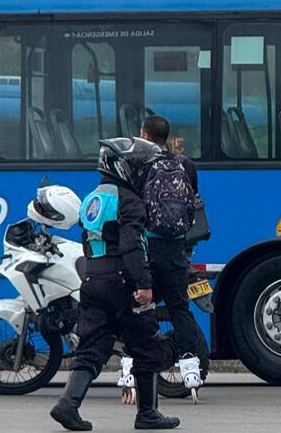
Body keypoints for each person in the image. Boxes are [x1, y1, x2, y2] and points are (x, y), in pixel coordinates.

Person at [50, 137, 180, 432]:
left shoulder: (92, 198)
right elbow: (132, 245)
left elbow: (87, 243)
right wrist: (144, 284)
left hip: (93, 280)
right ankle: (147, 413)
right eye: (141, 167)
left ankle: (68, 405)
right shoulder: (129, 200)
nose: (145, 173)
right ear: (124, 167)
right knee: (145, 344)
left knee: (92, 346)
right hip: (122, 281)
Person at [137, 114, 203, 393]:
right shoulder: (186, 164)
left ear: (147, 136)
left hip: (149, 246)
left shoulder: (140, 164)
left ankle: (133, 375)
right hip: (176, 248)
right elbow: (193, 201)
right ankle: (191, 371)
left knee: (140, 309)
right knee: (179, 309)